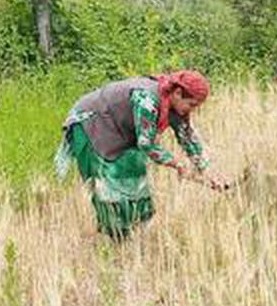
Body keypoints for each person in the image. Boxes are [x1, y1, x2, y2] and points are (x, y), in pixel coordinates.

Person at [59, 70, 227, 240]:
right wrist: (178, 164)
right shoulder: (147, 100)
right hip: (92, 123)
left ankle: (132, 238)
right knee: (109, 186)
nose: (191, 110)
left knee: (135, 177)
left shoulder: (176, 106)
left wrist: (206, 171)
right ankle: (117, 241)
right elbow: (146, 144)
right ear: (177, 93)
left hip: (118, 129)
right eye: (191, 105)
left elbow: (187, 137)